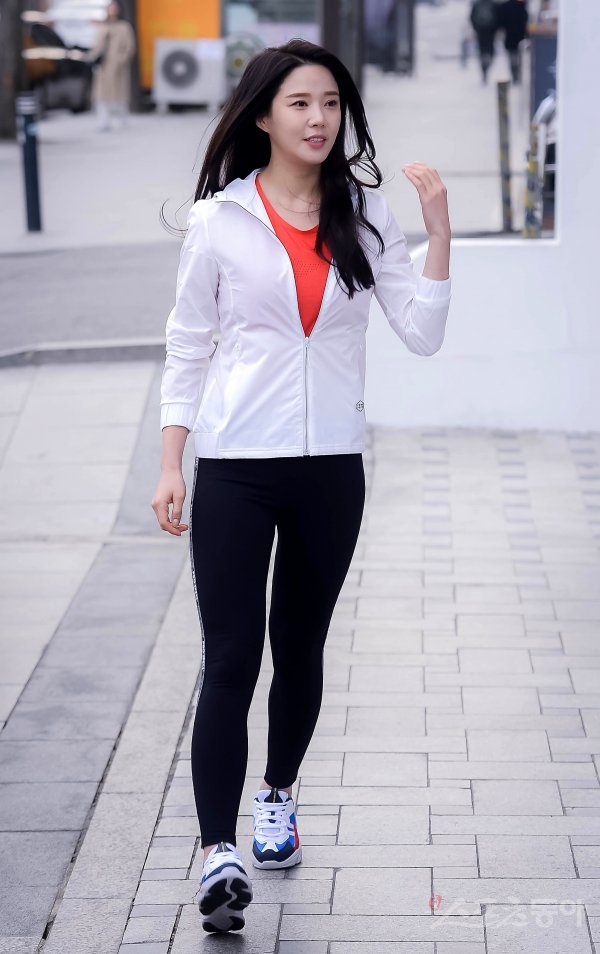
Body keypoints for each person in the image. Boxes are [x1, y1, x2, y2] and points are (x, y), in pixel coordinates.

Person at [151, 38, 452, 934]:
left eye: (330, 103)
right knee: (231, 656)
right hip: (237, 467)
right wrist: (171, 462)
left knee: (301, 646)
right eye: (300, 104)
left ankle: (276, 796)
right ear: (262, 117)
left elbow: (422, 333)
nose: (319, 120)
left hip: (331, 471)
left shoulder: (365, 214)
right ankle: (218, 853)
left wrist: (439, 237)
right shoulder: (220, 222)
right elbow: (186, 343)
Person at [85, 0, 136, 131]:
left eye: (114, 8)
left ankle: (122, 119)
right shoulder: (102, 27)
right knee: (102, 94)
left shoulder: (124, 27)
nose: (112, 11)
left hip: (118, 66)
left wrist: (121, 60)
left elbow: (129, 47)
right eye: (110, 8)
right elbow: (96, 46)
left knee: (120, 93)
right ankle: (104, 121)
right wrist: (93, 58)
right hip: (104, 66)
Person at [496, 0, 529, 83]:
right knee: (519, 55)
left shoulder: (505, 6)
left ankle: (515, 75)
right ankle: (518, 74)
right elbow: (525, 19)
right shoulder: (521, 5)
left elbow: (500, 21)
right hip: (520, 35)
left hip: (509, 35)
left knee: (512, 55)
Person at [469, 0, 499, 83]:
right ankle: (487, 64)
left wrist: (476, 28)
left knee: (482, 50)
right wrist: (496, 29)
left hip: (480, 30)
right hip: (491, 31)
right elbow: (498, 17)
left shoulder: (477, 4)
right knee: (490, 49)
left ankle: (484, 68)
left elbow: (472, 17)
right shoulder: (493, 4)